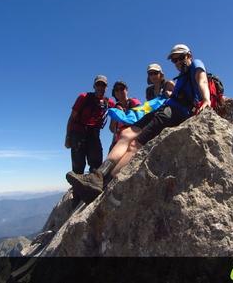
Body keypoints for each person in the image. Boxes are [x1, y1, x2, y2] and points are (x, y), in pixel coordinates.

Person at [66, 44, 211, 204]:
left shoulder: (196, 65)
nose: (177, 62)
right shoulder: (179, 77)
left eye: (180, 58)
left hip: (175, 112)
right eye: (174, 60)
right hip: (164, 108)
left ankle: (106, 185)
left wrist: (206, 99)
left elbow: (202, 80)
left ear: (189, 55)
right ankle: (98, 176)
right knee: (126, 133)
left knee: (135, 144)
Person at [64, 75, 115, 206]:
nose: (100, 87)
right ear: (94, 86)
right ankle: (76, 198)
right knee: (78, 165)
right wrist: (68, 137)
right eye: (98, 84)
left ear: (106, 87)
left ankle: (92, 188)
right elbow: (72, 118)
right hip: (78, 132)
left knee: (96, 161)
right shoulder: (83, 97)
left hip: (93, 134)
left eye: (103, 85)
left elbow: (118, 110)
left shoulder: (109, 103)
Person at [109, 81, 141, 151]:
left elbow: (141, 120)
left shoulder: (134, 102)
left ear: (126, 90)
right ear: (114, 93)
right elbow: (111, 129)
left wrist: (123, 116)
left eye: (121, 88)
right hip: (118, 140)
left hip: (132, 137)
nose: (119, 91)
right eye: (116, 90)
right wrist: (117, 116)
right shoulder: (115, 108)